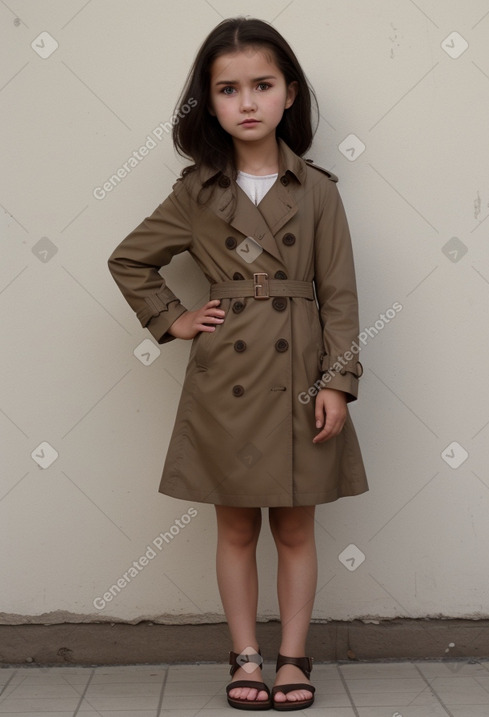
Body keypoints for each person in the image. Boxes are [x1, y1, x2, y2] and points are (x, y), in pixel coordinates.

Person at [108, 16, 368, 711]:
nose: (247, 102)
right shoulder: (197, 192)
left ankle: (293, 656)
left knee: (294, 526)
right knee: (234, 525)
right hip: (227, 378)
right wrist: (175, 317)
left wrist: (338, 382)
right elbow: (129, 259)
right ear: (209, 103)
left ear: (290, 94)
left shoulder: (318, 190)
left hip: (302, 378)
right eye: (228, 89)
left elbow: (340, 294)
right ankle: (244, 654)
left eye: (262, 85)